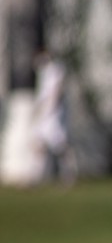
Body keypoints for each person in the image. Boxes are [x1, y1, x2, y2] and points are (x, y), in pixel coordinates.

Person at [32, 48, 77, 185]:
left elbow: (57, 91)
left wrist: (51, 109)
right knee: (39, 144)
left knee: (59, 145)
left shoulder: (55, 70)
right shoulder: (44, 74)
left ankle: (69, 174)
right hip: (45, 114)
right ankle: (36, 176)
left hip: (52, 115)